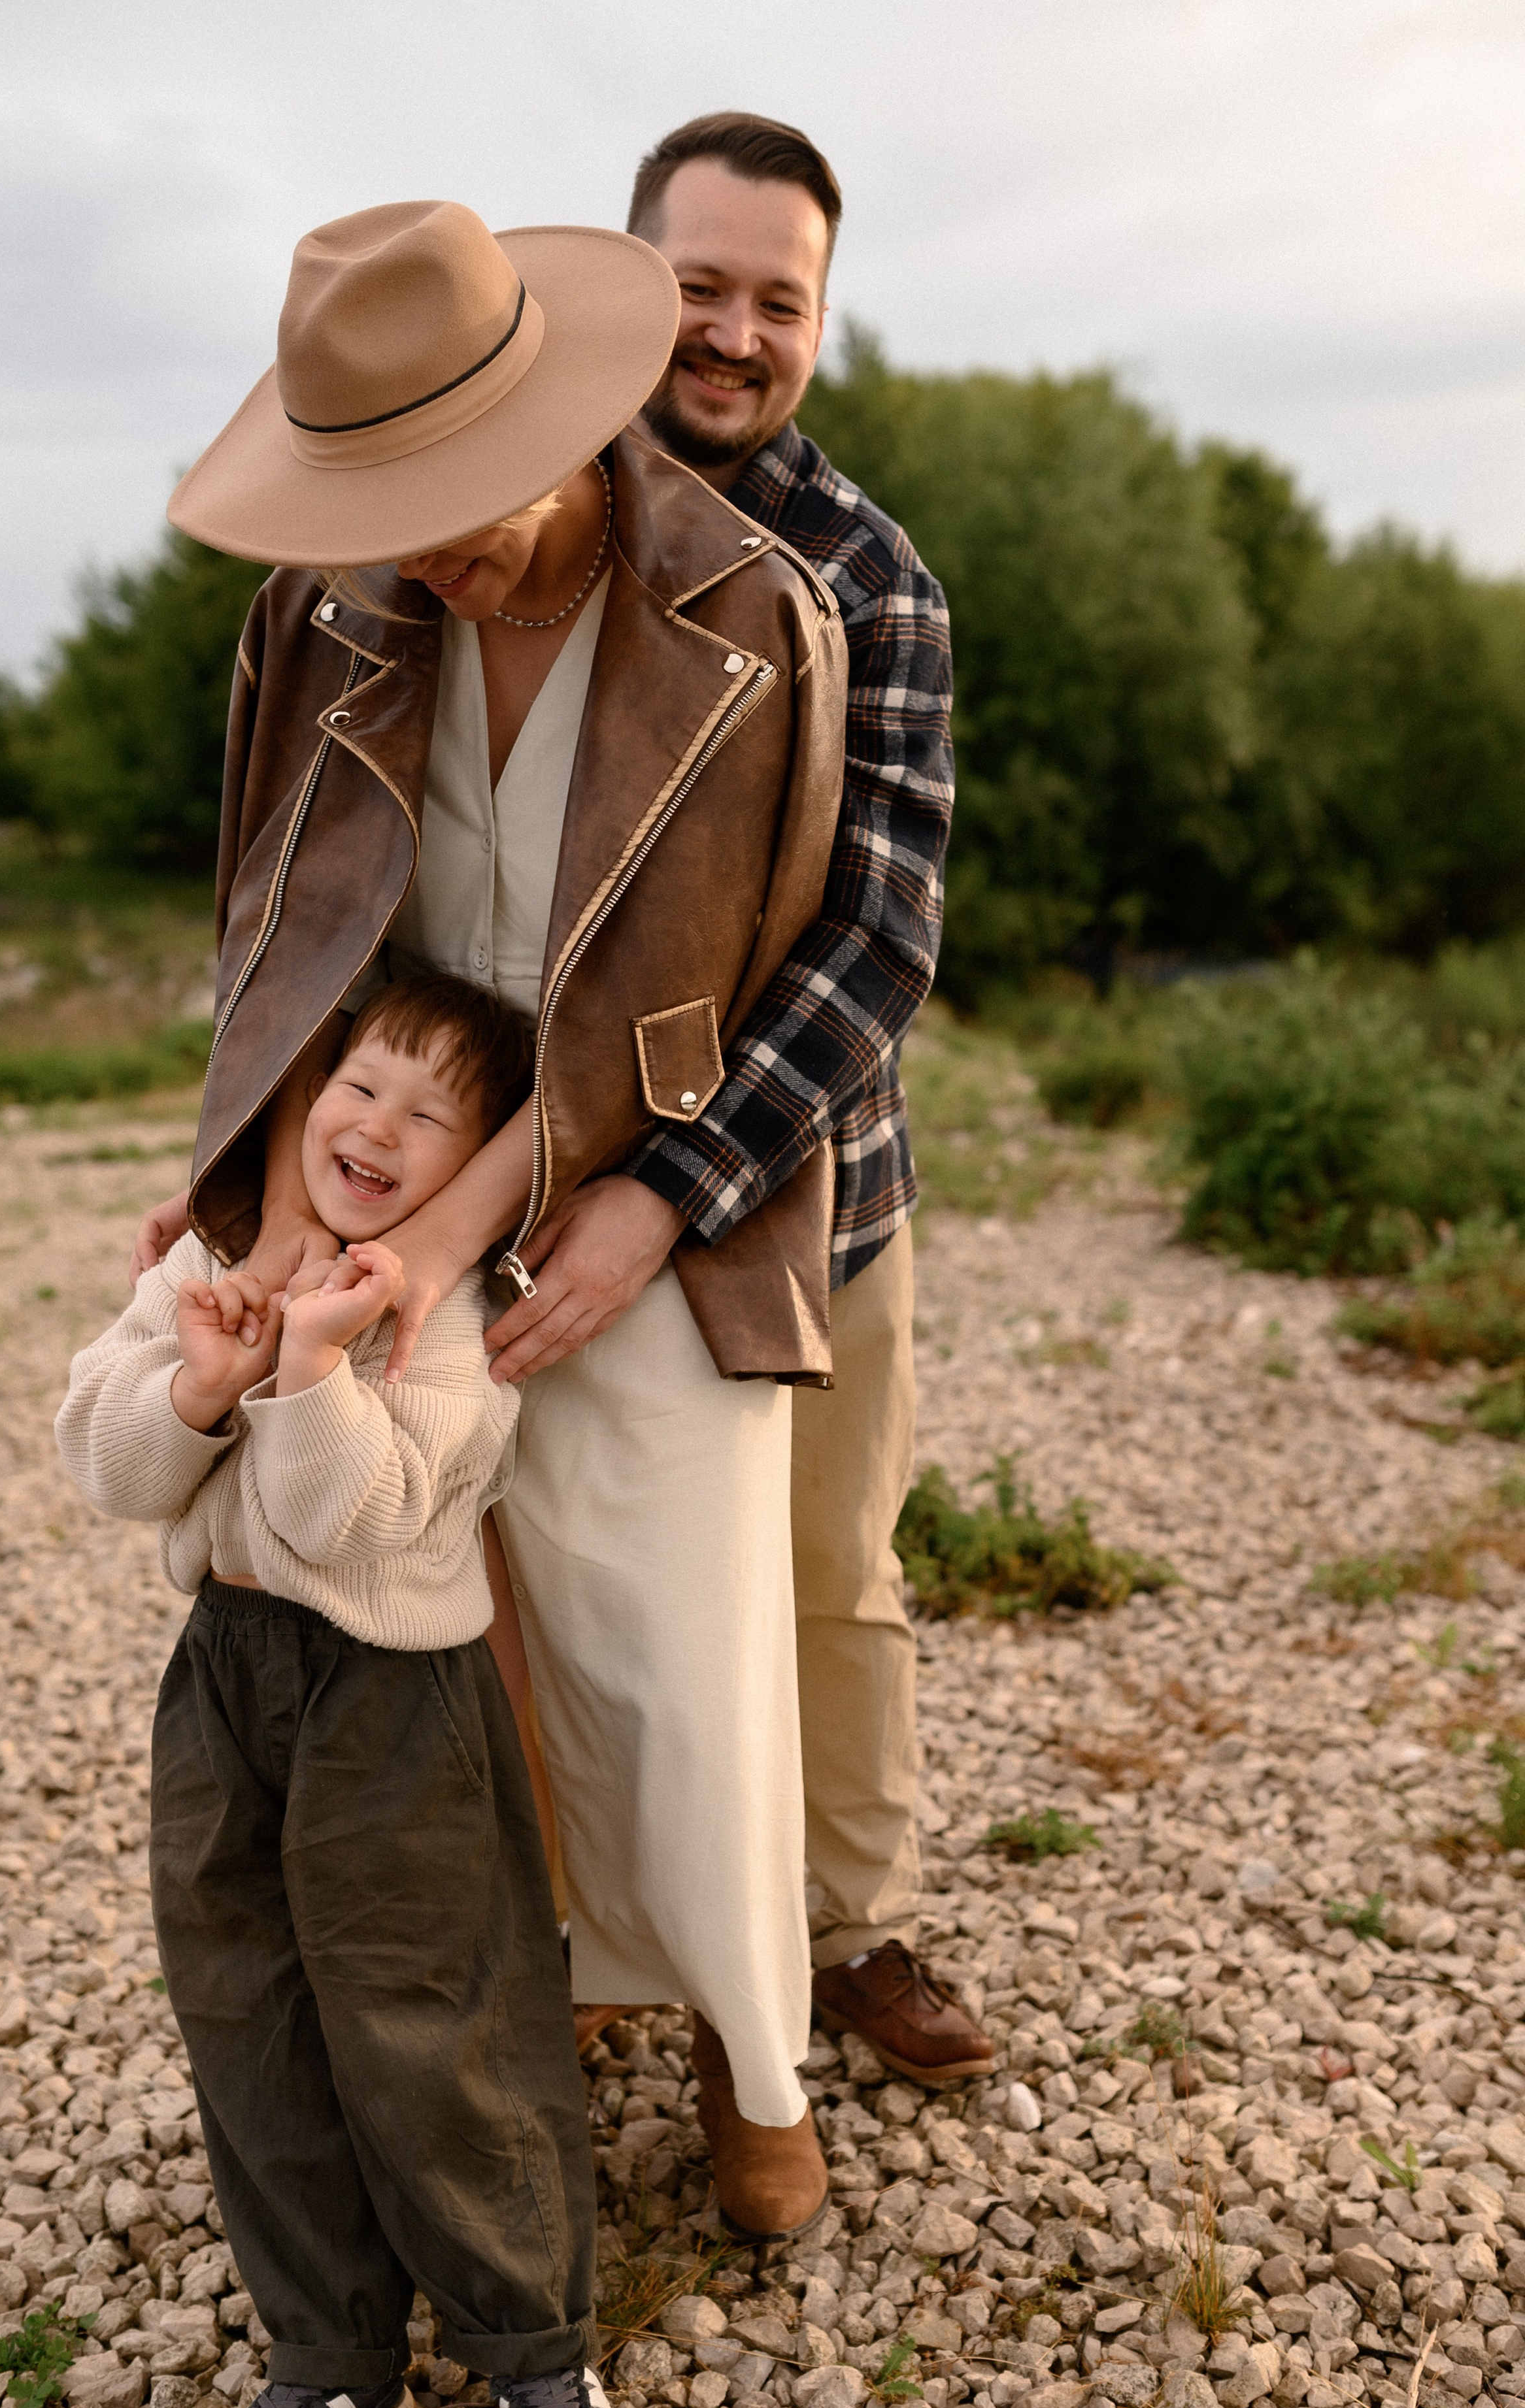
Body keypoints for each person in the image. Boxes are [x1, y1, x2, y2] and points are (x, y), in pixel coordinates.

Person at [133, 196, 850, 2236]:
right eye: (379, 500)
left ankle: (753, 2045)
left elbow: (727, 982)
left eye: (454, 494)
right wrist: (274, 1206)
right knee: (435, 1623)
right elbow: (274, 936)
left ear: (560, 405)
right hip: (382, 1152)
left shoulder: (746, 611)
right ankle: (532, 2004)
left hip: (641, 1174)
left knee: (679, 1642)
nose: (421, 547)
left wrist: (484, 1234)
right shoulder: (326, 611)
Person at [57, 973, 638, 2408]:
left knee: (433, 2008)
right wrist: (202, 1375)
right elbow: (109, 1464)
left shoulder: (451, 1322)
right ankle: (329, 2360)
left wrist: (311, 1369)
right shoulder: (213, 1256)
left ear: (475, 1175)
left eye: (429, 1115)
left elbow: (353, 1513)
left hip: (396, 1695)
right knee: (245, 2004)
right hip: (223, 1682)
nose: (374, 1127)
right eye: (357, 1083)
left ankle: (534, 2345)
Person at [620, 112, 996, 2087]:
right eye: (702, 284)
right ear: (628, 282)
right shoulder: (529, 521)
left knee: (836, 1571)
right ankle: (615, 1943)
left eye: (781, 298)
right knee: (583, 1574)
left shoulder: (880, 581)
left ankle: (852, 1931)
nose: (738, 331)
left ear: (822, 323)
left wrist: (677, 1177)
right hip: (551, 1186)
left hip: (826, 1178)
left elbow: (878, 945)